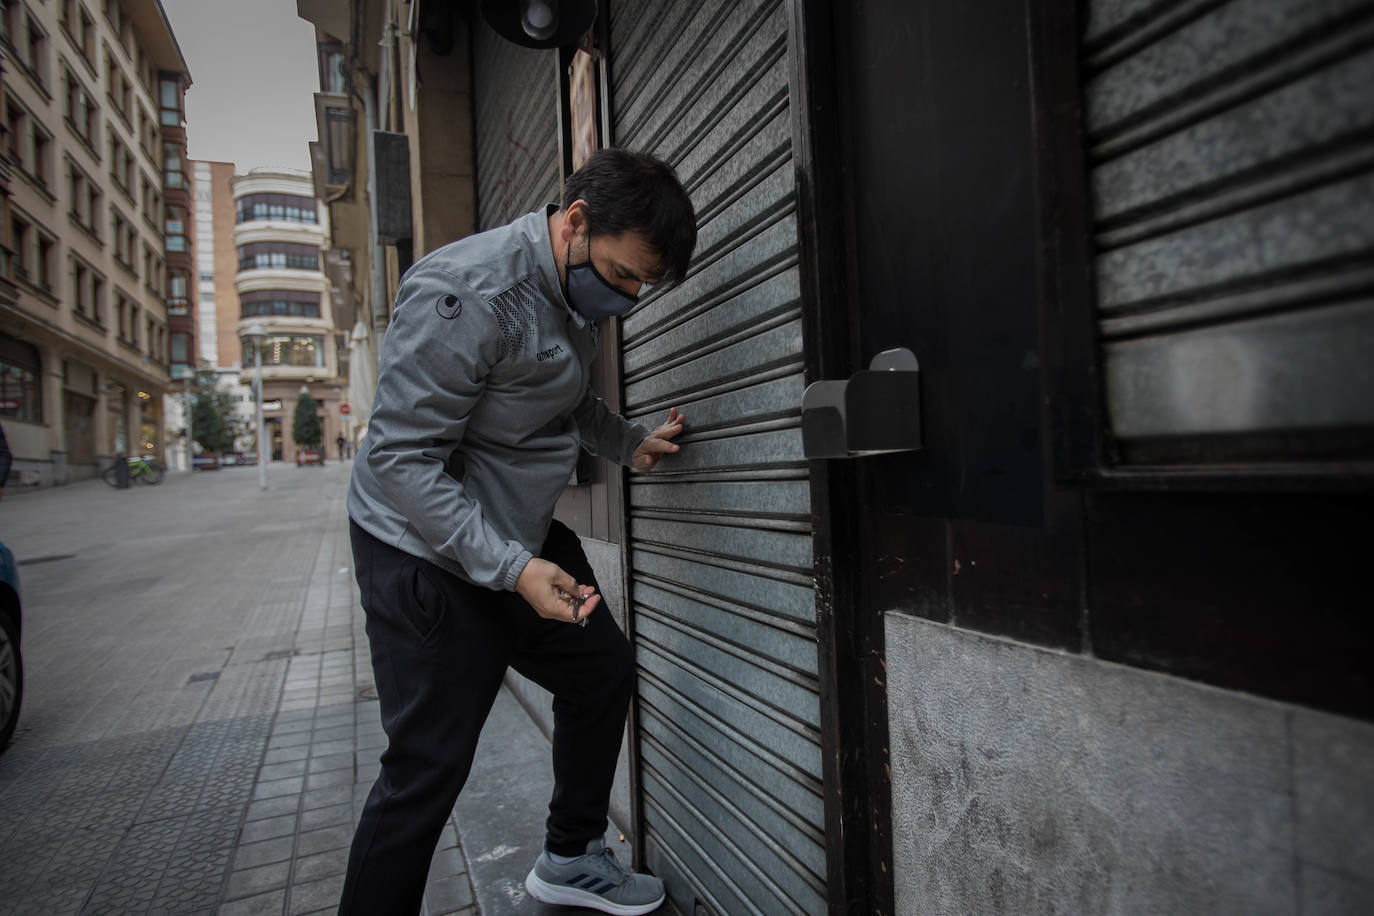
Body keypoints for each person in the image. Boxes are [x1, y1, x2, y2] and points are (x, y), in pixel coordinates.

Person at [341, 148, 696, 916]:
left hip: (515, 535)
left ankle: (571, 858)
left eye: (644, 285)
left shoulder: (569, 295)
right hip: (423, 551)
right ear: (574, 222)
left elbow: (559, 396)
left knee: (600, 670)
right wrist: (512, 569)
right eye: (624, 276)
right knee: (426, 770)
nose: (630, 299)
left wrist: (628, 439)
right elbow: (401, 459)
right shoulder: (465, 295)